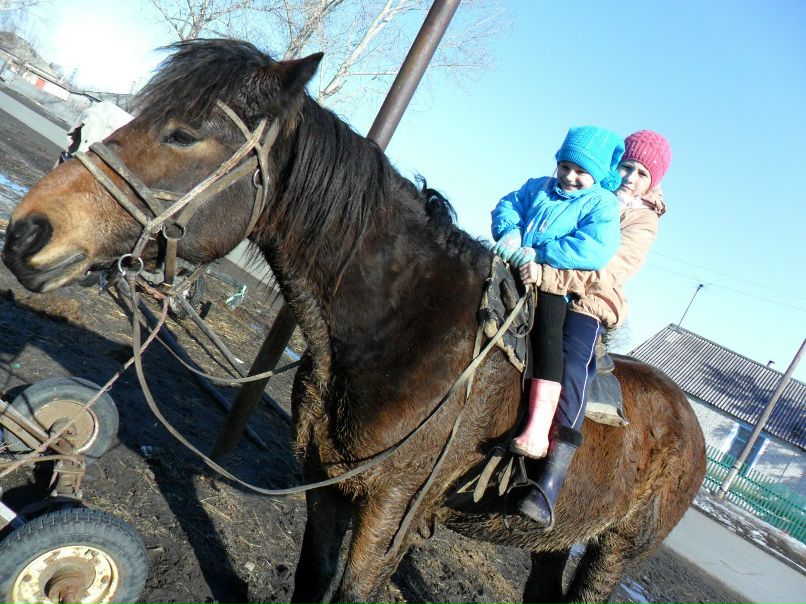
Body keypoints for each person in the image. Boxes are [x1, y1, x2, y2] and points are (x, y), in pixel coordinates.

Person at [515, 129, 672, 527]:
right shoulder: (586, 189)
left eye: (641, 173)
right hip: (541, 276)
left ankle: (550, 481)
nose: (629, 178)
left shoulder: (642, 220)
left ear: (652, 182)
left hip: (590, 299)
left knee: (571, 363)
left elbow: (606, 271)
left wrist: (548, 276)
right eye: (626, 166)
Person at [490, 126, 624, 467]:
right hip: (511, 261)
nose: (570, 176)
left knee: (549, 334)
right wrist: (509, 233)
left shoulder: (602, 205)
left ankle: (537, 429)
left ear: (598, 175)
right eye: (565, 166)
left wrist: (540, 253)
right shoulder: (538, 186)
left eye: (581, 172)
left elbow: (593, 248)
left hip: (551, 283)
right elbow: (509, 205)